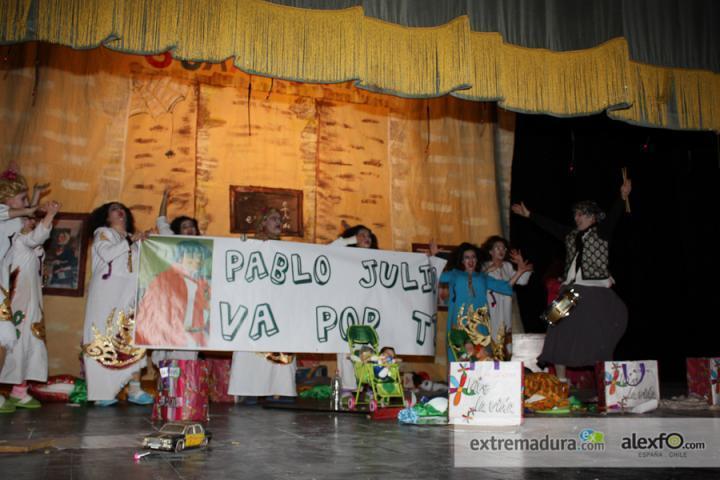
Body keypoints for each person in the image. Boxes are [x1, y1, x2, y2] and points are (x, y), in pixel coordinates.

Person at [511, 178, 631, 382]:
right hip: (571, 290)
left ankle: (605, 382)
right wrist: (529, 215)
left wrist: (622, 197)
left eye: (581, 214)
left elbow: (613, 218)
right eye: (575, 214)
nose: (576, 218)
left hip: (594, 290)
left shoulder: (601, 232)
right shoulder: (571, 235)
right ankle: (561, 380)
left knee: (599, 334)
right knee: (554, 325)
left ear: (593, 217)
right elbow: (551, 226)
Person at [82, 202, 153, 406]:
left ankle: (135, 389)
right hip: (107, 292)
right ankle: (103, 392)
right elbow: (107, 254)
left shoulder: (133, 238)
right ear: (106, 217)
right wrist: (133, 239)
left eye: (122, 208)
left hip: (130, 292)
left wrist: (147, 242)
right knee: (102, 336)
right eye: (114, 208)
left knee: (131, 336)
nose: (119, 210)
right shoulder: (103, 233)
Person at [228, 207, 297, 401]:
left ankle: (282, 392)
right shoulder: (249, 245)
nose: (279, 222)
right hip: (255, 307)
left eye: (280, 220)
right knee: (252, 353)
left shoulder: (288, 250)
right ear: (263, 222)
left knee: (281, 350)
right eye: (274, 218)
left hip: (279, 308)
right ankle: (250, 393)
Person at [0, 201, 60, 411]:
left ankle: (20, 389)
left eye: (33, 220)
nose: (32, 223)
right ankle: (15, 388)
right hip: (19, 303)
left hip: (32, 303)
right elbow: (37, 237)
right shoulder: (19, 242)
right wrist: (50, 214)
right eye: (29, 219)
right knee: (18, 343)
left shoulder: (33, 247)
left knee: (31, 343)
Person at [432, 241, 532, 363]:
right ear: (462, 261)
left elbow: (506, 287)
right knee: (461, 365)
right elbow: (436, 275)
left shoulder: (483, 277)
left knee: (480, 364)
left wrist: (519, 272)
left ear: (477, 260)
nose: (471, 260)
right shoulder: (454, 274)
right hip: (459, 327)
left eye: (473, 257)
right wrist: (435, 257)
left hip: (479, 328)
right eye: (467, 257)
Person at [329, 222, 379, 390]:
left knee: (369, 347)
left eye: (369, 236)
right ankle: (349, 388)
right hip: (347, 309)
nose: (367, 238)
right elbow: (328, 250)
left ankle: (370, 384)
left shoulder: (379, 259)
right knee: (345, 348)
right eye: (362, 235)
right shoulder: (344, 256)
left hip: (368, 310)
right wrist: (349, 239)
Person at [135, 240, 211, 348]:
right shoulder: (164, 279)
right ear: (180, 258)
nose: (197, 260)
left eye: (200, 256)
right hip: (170, 339)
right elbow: (152, 312)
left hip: (194, 339)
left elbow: (207, 308)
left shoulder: (202, 282)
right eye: (191, 255)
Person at [481, 235, 532, 357]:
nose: (501, 251)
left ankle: (503, 367)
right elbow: (478, 281)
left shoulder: (507, 266)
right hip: (490, 309)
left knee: (505, 339)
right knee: (490, 338)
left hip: (505, 309)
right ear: (490, 251)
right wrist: (488, 270)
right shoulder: (484, 266)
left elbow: (523, 281)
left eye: (503, 248)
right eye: (497, 248)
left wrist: (521, 264)